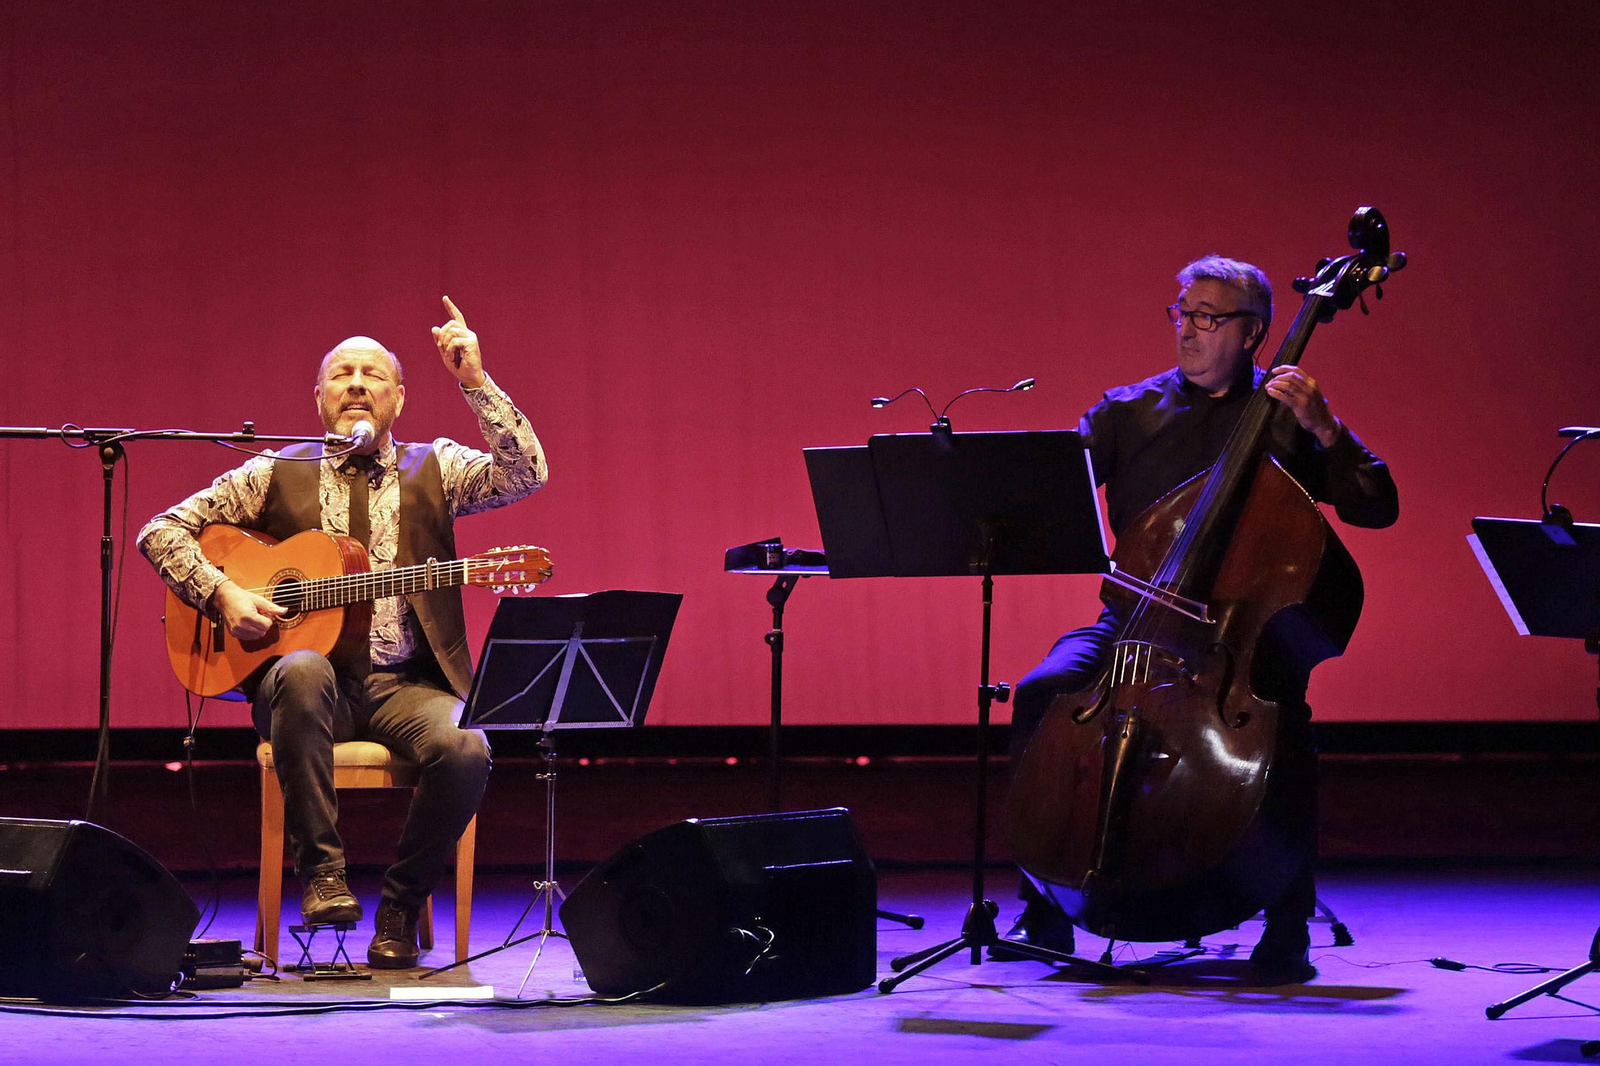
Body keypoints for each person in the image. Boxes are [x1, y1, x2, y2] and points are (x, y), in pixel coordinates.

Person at [1005, 256, 1398, 983]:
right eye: (1181, 312)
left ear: (1252, 333)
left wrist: (1326, 427)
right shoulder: (1128, 410)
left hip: (1230, 648)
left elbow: (1378, 506)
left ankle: (1286, 929)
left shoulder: (1287, 420)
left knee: (1292, 735)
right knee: (1040, 690)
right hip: (1128, 625)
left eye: (1208, 318)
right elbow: (1045, 495)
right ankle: (1047, 907)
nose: (1187, 330)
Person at [138, 296, 548, 968]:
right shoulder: (273, 472)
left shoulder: (437, 469)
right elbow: (160, 531)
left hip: (406, 684)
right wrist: (223, 593)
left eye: (373, 374)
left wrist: (475, 380)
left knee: (467, 746)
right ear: (320, 396)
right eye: (342, 374)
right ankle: (322, 875)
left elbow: (526, 474)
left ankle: (400, 905)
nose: (357, 384)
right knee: (301, 670)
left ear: (399, 397)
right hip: (308, 688)